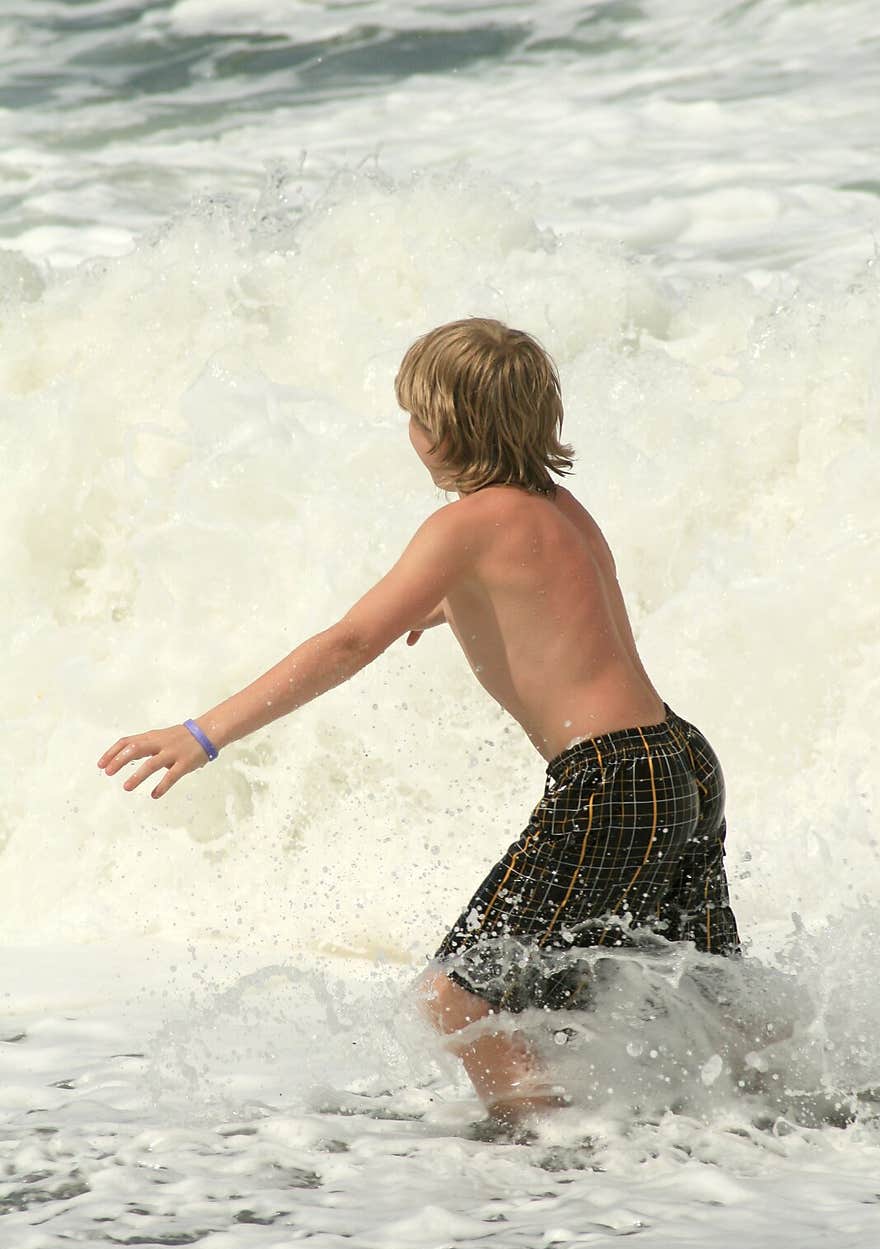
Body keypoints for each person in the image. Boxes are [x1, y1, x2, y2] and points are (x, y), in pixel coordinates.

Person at [98, 317, 740, 1135]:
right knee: (695, 989)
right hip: (678, 761)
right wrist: (457, 606)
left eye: (413, 416)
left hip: (608, 781)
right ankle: (792, 1114)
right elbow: (560, 602)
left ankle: (555, 1166)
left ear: (440, 431)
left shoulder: (465, 526)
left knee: (455, 1000)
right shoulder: (558, 506)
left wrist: (205, 731)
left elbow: (350, 640)